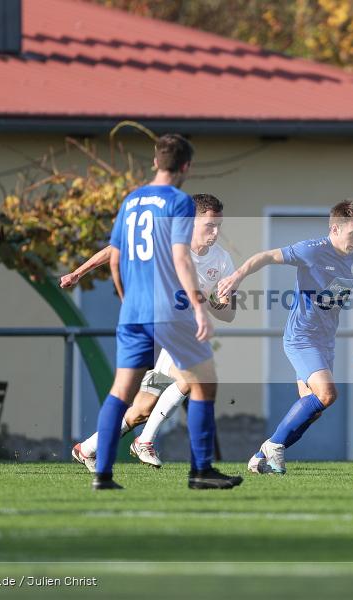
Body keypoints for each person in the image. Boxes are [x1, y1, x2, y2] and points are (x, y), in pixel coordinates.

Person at [91, 133, 241, 490]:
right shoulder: (178, 202)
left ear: (156, 162)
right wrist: (200, 308)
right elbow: (179, 258)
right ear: (186, 166)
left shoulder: (130, 201)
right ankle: (201, 470)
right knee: (204, 381)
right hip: (167, 310)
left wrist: (125, 296)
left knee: (120, 392)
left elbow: (115, 257)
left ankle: (103, 474)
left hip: (133, 310)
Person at [61, 194, 235, 471]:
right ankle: (145, 442)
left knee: (141, 410)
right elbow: (115, 251)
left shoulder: (223, 261)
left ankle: (87, 448)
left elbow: (228, 313)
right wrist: (78, 273)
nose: (215, 233)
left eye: (218, 226)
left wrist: (217, 302)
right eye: (209, 226)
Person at [216, 201, 353, 475]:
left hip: (326, 342)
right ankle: (275, 445)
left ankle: (259, 456)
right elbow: (265, 256)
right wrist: (237, 276)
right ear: (335, 229)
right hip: (301, 338)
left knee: (313, 410)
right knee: (327, 394)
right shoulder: (311, 250)